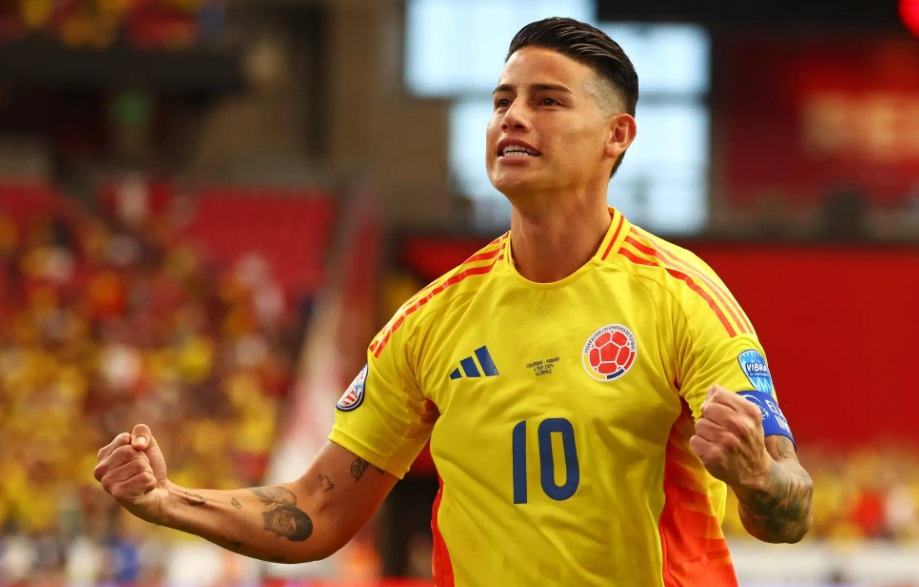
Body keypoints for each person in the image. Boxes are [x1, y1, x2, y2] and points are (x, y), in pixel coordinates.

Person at [94, 17, 813, 586]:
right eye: (502, 101)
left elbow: (790, 504)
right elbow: (317, 508)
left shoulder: (682, 299)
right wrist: (170, 501)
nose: (512, 117)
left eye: (546, 100)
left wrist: (755, 476)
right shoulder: (430, 320)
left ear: (616, 135)